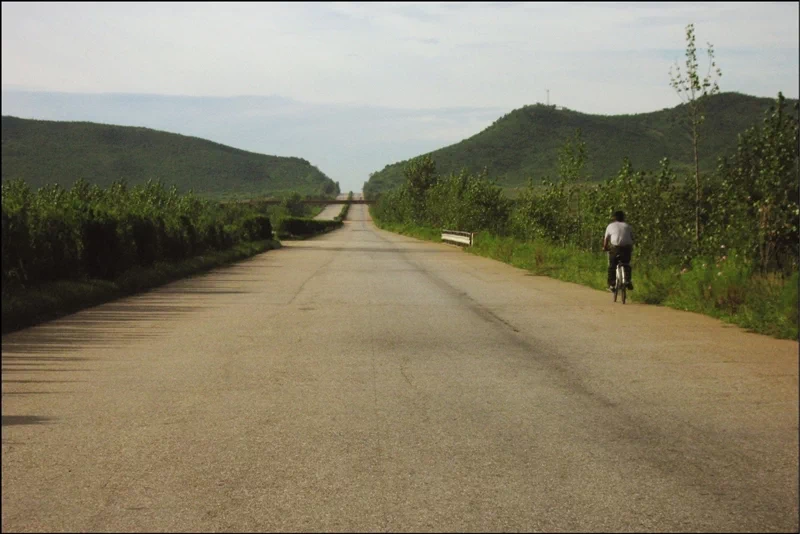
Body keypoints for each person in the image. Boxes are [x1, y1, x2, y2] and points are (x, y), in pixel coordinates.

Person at [603, 210, 634, 292]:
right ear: (623, 218)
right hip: (626, 249)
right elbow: (632, 238)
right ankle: (627, 280)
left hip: (615, 249)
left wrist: (605, 247)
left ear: (614, 218)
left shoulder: (610, 226)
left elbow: (606, 240)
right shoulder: (628, 226)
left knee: (612, 266)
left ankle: (612, 284)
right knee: (627, 264)